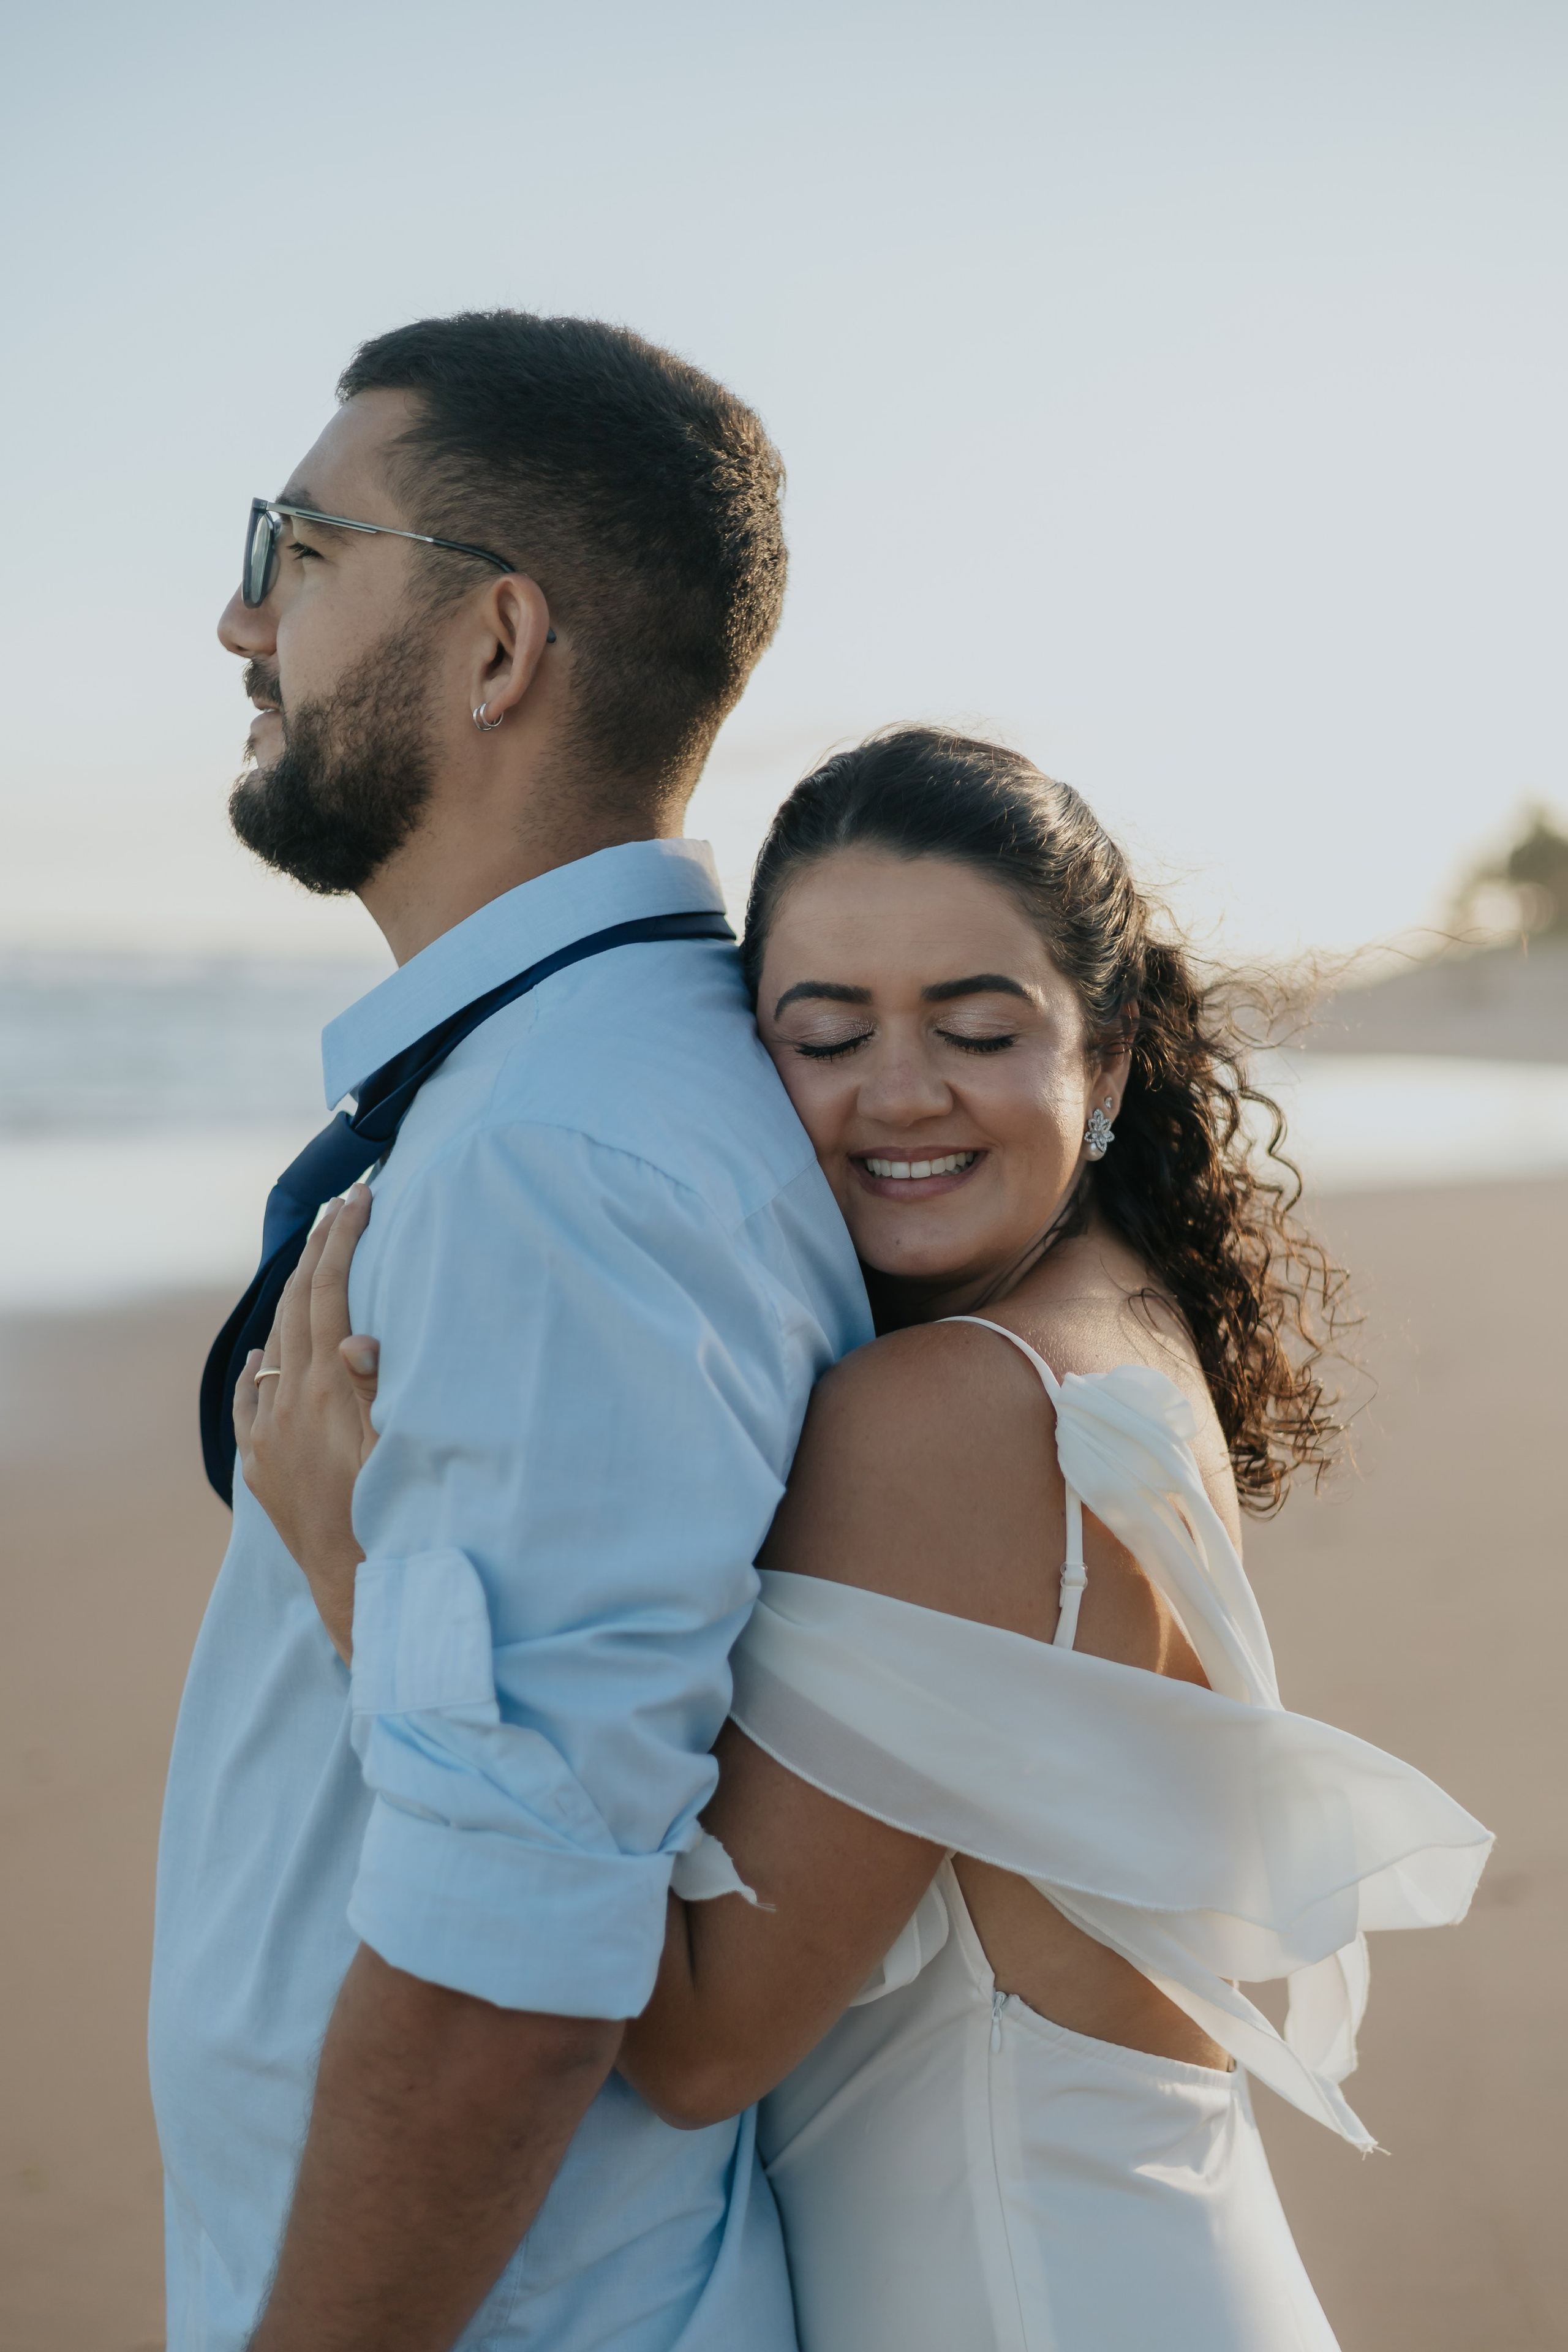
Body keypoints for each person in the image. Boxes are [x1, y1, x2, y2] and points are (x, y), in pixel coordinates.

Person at [243, 727, 1492, 2351]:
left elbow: (695, 2051)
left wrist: (362, 1575)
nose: (898, 1095)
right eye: (823, 1035)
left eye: (977, 1029)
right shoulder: (1117, 1313)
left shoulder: (959, 1412)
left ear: (1105, 1060)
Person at [149, 311, 872, 2352]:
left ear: (499, 646)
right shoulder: (559, 1092)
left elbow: (507, 1976)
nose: (235, 621)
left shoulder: (559, 1161)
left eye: (296, 545)